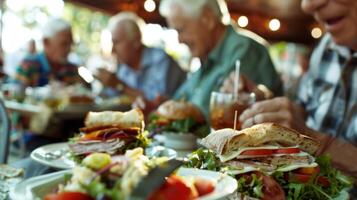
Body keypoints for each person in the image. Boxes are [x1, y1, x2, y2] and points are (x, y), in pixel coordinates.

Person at [227, 0, 357, 180]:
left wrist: (312, 140)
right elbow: (303, 112)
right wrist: (263, 103)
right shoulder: (326, 47)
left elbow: (306, 132)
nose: (307, 6)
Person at [157, 0, 282, 117]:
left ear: (207, 18)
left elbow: (222, 116)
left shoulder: (245, 49)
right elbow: (178, 102)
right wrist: (158, 107)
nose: (179, 40)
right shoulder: (206, 57)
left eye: (181, 29)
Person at [96, 12, 186, 101]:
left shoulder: (160, 60)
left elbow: (158, 103)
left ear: (136, 41)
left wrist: (119, 85)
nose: (113, 50)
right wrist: (104, 83)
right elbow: (108, 99)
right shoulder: (123, 67)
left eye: (116, 42)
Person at [15, 18, 80, 87]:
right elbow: (16, 95)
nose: (69, 49)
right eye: (64, 44)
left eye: (71, 44)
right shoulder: (28, 66)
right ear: (46, 42)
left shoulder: (71, 70)